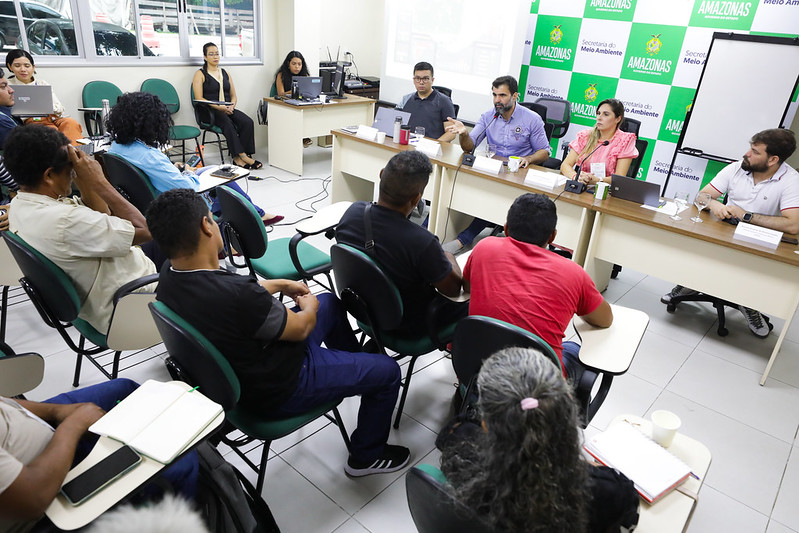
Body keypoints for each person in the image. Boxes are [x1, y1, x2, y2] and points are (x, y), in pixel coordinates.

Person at [147, 189, 410, 477]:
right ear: (206, 227)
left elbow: (227, 298)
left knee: (330, 303)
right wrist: (306, 307)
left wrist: (279, 284)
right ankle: (366, 456)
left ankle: (353, 375)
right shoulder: (238, 296)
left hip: (246, 370)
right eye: (212, 217)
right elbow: (301, 327)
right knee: (387, 370)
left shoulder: (170, 276)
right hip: (282, 386)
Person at [438, 347, 639, 533]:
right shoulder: (609, 491)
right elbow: (629, 522)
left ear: (485, 426)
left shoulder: (458, 442)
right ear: (569, 408)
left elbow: (458, 429)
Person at [6, 125, 157, 333]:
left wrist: (84, 180)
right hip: (130, 303)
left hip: (97, 298)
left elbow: (102, 213)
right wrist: (100, 182)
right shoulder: (66, 220)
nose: (73, 171)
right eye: (70, 167)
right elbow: (145, 231)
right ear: (49, 175)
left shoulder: (19, 205)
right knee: (189, 247)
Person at [0, 379, 198, 532]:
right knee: (182, 461)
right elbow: (33, 500)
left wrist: (56, 410)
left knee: (125, 388)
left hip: (24, 429)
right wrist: (73, 426)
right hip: (43, 491)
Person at [662, 128, 799, 338]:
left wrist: (747, 216)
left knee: (745, 272)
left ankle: (748, 303)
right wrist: (715, 205)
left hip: (760, 240)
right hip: (723, 230)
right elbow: (702, 196)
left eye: (755, 151)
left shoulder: (791, 180)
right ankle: (690, 283)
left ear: (773, 159)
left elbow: (793, 226)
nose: (747, 154)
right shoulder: (737, 167)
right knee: (699, 249)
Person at [462, 193, 613, 380]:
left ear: (506, 229)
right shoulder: (574, 273)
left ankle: (468, 398)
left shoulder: (484, 247)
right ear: (552, 237)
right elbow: (605, 320)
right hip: (537, 386)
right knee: (574, 350)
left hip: (476, 368)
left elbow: (468, 288)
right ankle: (563, 407)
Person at [335, 150, 467, 335]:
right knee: (473, 303)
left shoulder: (353, 212)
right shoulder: (422, 242)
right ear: (417, 198)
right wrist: (449, 257)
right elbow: (453, 290)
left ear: (381, 176)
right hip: (407, 325)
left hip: (363, 310)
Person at [106, 91, 282, 225]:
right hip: (179, 204)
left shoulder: (118, 146)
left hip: (153, 200)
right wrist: (187, 172)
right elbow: (190, 187)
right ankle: (253, 218)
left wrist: (176, 168)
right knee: (223, 177)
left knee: (214, 170)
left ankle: (256, 214)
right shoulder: (149, 156)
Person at [442, 75, 550, 253]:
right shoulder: (487, 117)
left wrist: (528, 159)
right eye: (494, 95)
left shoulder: (532, 119)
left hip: (518, 176)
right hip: (492, 171)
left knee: (494, 198)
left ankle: (463, 240)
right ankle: (431, 233)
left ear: (515, 96)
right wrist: (463, 134)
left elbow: (544, 152)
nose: (497, 101)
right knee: (458, 188)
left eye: (502, 96)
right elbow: (470, 147)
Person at [192, 43, 262, 170]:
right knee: (227, 123)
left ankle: (243, 153)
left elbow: (233, 95)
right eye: (211, 54)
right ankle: (240, 157)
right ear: (205, 57)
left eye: (217, 53)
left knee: (247, 122)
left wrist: (232, 106)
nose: (215, 57)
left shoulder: (225, 72)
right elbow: (199, 98)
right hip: (209, 111)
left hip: (227, 108)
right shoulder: (200, 74)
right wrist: (220, 108)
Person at [5, 49, 84, 145]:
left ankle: (77, 155)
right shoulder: (7, 86)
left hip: (52, 117)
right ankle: (65, 157)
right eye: (17, 66)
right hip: (32, 121)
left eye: (27, 66)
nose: (23, 69)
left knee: (71, 123)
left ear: (33, 67)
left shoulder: (42, 84)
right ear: (10, 67)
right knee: (51, 131)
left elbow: (60, 108)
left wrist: (46, 107)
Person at [561, 98, 638, 185]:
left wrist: (599, 180)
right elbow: (565, 165)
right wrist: (576, 176)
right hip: (583, 187)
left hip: (606, 191)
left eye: (606, 114)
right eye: (598, 113)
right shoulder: (586, 136)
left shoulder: (625, 141)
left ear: (618, 119)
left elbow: (619, 177)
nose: (599, 118)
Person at [395, 61, 455, 142]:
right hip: (407, 144)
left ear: (432, 80)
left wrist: (434, 145)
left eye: (425, 79)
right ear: (414, 80)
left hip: (431, 148)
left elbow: (451, 133)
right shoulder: (406, 99)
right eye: (418, 78)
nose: (421, 82)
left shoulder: (444, 101)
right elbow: (394, 123)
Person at [273, 50, 313, 148]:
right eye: (294, 64)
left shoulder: (305, 75)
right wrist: (294, 91)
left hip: (299, 103)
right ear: (288, 64)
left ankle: (303, 136)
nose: (297, 67)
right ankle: (302, 137)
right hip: (283, 104)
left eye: (299, 64)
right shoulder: (281, 75)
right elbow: (281, 93)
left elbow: (309, 90)